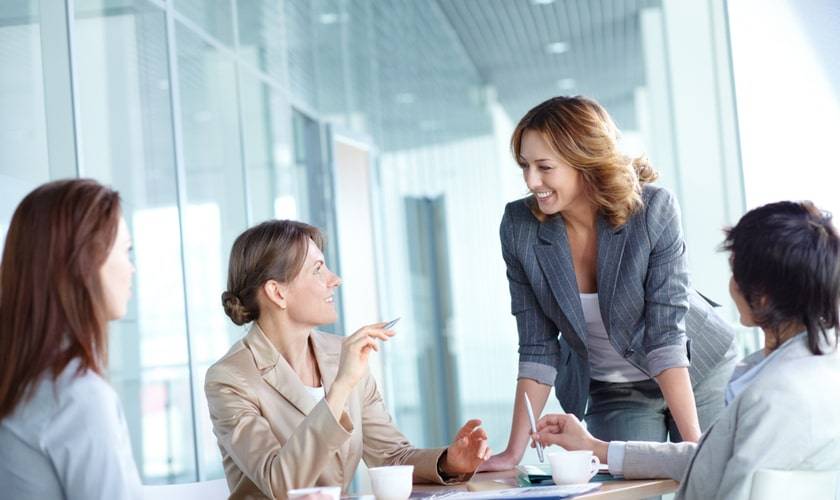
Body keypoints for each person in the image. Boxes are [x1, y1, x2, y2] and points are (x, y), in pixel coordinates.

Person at [483, 96, 736, 471]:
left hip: (696, 369)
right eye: (525, 166)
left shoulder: (652, 210)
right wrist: (511, 454)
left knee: (712, 481)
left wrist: (695, 452)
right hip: (615, 389)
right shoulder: (520, 226)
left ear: (584, 162)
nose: (531, 181)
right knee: (626, 493)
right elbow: (537, 346)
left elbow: (666, 336)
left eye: (544, 167)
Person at [533, 200, 840, 499]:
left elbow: (732, 485)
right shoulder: (815, 371)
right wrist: (598, 448)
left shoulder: (776, 396)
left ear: (760, 297)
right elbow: (710, 457)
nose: (731, 284)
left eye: (735, 272)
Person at [205, 220, 490, 498]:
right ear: (277, 293)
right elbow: (281, 484)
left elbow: (391, 456)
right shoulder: (230, 378)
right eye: (317, 270)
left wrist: (448, 462)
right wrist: (340, 386)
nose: (334, 279)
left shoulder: (340, 353)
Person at [0, 179, 141, 499]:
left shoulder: (23, 382)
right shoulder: (77, 397)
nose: (132, 268)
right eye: (125, 250)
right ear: (85, 264)